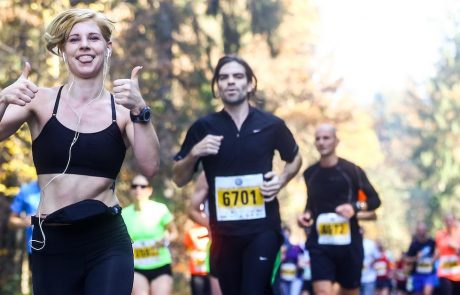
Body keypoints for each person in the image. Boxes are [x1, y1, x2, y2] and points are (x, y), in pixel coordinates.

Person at [0, 8, 160, 295]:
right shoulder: (39, 100)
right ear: (63, 50)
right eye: (74, 39)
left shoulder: (123, 111)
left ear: (107, 48)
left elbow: (150, 167)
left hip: (106, 241)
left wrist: (141, 110)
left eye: (93, 38)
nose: (84, 45)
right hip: (52, 242)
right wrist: (2, 98)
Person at [173, 54, 302, 295]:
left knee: (254, 290)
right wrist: (194, 153)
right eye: (223, 77)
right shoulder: (203, 127)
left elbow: (295, 158)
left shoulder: (271, 124)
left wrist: (282, 179)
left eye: (237, 76)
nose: (230, 81)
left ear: (250, 84)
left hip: (263, 228)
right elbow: (179, 178)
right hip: (224, 234)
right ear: (217, 86)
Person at [297, 123, 381, 295]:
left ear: (336, 141)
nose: (321, 142)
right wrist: (305, 215)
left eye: (326, 138)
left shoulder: (352, 171)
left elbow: (374, 200)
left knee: (349, 291)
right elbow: (312, 204)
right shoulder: (310, 173)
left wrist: (354, 207)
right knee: (321, 291)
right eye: (318, 138)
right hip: (320, 242)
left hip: (349, 242)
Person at [122, 174, 178, 295]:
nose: (138, 189)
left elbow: (174, 233)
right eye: (134, 186)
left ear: (149, 190)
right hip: (136, 267)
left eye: (143, 186)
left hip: (160, 265)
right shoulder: (124, 214)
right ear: (130, 190)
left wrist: (166, 239)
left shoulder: (160, 209)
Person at [188, 172, 222, 295]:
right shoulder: (192, 229)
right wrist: (214, 227)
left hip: (251, 243)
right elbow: (191, 210)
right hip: (217, 252)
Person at [405, 221, 437, 295]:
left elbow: (438, 253)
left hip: (429, 274)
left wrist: (434, 258)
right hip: (417, 274)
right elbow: (407, 259)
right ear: (417, 231)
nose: (422, 232)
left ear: (426, 230)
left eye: (423, 230)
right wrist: (416, 257)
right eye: (420, 230)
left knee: (427, 292)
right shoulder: (414, 244)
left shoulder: (431, 242)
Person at [435, 212, 460, 295]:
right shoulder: (439, 234)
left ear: (454, 221)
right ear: (444, 222)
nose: (449, 222)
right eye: (447, 220)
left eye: (451, 220)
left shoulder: (458, 234)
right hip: (444, 272)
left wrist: (456, 247)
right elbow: (438, 250)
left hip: (457, 273)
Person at [360, 230, 379, 295]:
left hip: (369, 278)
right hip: (356, 279)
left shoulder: (370, 244)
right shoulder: (351, 244)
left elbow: (377, 256)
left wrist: (370, 263)